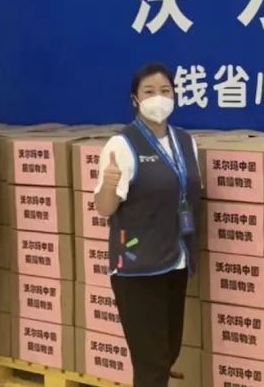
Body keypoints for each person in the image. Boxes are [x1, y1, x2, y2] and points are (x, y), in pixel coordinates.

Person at [93, 63, 202, 387]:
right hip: (138, 268)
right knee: (151, 363)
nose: (159, 98)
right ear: (135, 99)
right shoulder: (121, 145)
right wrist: (109, 184)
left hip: (176, 261)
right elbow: (104, 208)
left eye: (165, 91)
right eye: (149, 92)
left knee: (169, 351)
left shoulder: (185, 141)